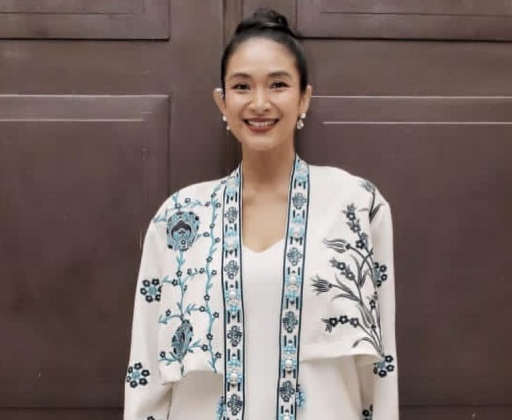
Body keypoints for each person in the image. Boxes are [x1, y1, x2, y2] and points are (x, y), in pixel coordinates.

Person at [124, 8, 398, 420]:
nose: (259, 102)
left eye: (278, 84)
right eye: (241, 86)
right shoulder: (180, 219)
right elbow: (146, 369)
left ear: (304, 97)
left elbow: (379, 368)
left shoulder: (356, 208)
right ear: (222, 100)